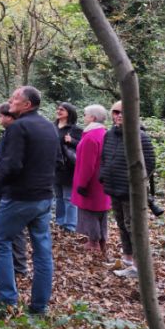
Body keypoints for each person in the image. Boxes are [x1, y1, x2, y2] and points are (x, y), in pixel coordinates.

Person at [0, 86, 60, 314]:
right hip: (44, 198)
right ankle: (39, 306)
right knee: (42, 251)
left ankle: (7, 299)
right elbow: (58, 162)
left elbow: (11, 165)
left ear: (27, 104)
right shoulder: (49, 127)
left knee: (0, 240)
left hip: (19, 197)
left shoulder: (18, 127)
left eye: (16, 98)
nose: (11, 100)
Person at [100, 100, 156, 278]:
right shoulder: (110, 134)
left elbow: (149, 164)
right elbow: (105, 158)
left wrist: (134, 183)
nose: (118, 116)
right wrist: (104, 175)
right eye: (115, 112)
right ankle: (128, 259)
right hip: (114, 188)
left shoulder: (140, 136)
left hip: (131, 191)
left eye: (122, 112)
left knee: (134, 228)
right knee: (122, 225)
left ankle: (140, 267)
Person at [0, 103, 28, 278]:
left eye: (2, 116)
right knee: (14, 229)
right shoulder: (16, 134)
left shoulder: (14, 136)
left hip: (5, 190)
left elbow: (4, 163)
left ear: (10, 117)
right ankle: (18, 266)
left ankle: (7, 268)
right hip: (11, 189)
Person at [71, 104, 110, 257]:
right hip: (102, 182)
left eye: (86, 115)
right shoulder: (104, 133)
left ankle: (93, 242)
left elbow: (87, 164)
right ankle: (102, 241)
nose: (84, 117)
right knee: (101, 212)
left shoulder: (91, 137)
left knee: (90, 212)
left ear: (93, 118)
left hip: (92, 182)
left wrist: (82, 184)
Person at [54, 102, 83, 232]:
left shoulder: (75, 130)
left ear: (69, 113)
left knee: (69, 197)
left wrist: (72, 141)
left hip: (69, 168)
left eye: (62, 110)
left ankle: (70, 225)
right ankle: (60, 222)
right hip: (54, 167)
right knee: (58, 196)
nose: (59, 111)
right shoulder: (52, 127)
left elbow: (82, 148)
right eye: (58, 109)